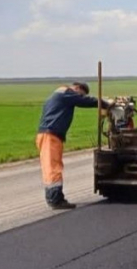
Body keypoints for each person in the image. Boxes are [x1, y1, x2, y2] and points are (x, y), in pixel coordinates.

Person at [36, 82, 109, 210]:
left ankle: (54, 197)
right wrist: (104, 103)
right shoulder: (65, 93)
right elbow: (84, 101)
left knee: (51, 166)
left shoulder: (58, 95)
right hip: (50, 135)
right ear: (77, 88)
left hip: (49, 135)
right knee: (53, 168)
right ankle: (55, 199)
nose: (80, 96)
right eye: (81, 94)